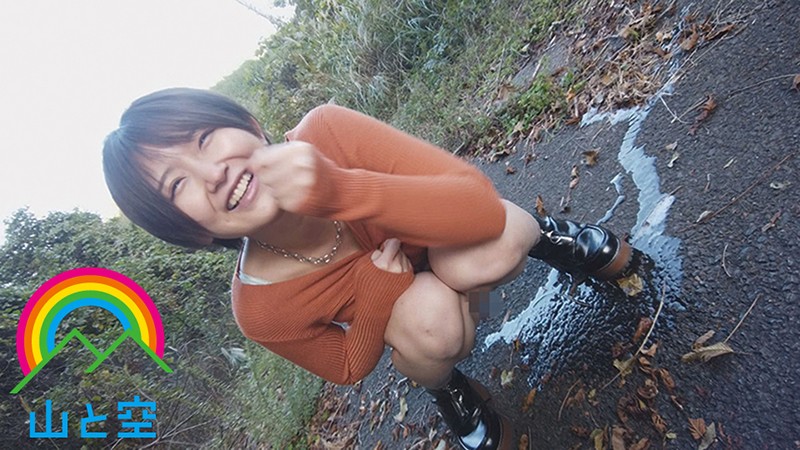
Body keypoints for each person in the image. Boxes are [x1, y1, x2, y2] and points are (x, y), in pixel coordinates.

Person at [103, 88, 632, 450]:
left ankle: (548, 240)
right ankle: (449, 386)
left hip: (456, 254)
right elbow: (347, 367)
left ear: (247, 124)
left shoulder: (327, 133)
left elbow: (478, 204)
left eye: (203, 139)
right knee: (436, 329)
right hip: (422, 317)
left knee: (502, 237)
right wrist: (378, 291)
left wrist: (339, 189)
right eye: (177, 185)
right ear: (190, 230)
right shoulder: (259, 307)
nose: (213, 173)